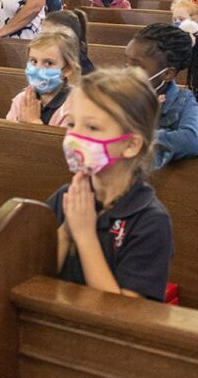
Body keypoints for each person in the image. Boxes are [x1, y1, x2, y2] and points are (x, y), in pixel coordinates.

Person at [49, 68, 173, 300]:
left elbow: (125, 314)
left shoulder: (150, 221)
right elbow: (35, 279)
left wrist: (84, 234)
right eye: (71, 124)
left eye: (92, 127)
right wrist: (67, 230)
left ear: (130, 145)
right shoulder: (67, 198)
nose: (75, 137)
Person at [126, 23, 198, 168]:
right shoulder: (120, 94)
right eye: (127, 63)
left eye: (137, 65)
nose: (128, 71)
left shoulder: (182, 100)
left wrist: (139, 136)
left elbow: (191, 141)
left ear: (167, 74)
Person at [6, 31, 79, 127]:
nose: (38, 69)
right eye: (34, 61)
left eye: (48, 63)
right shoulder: (21, 100)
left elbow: (61, 142)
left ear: (67, 70)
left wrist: (33, 122)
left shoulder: (74, 107)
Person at [42, 10, 95, 75]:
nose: (42, 40)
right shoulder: (49, 57)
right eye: (41, 35)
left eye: (48, 36)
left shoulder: (83, 68)